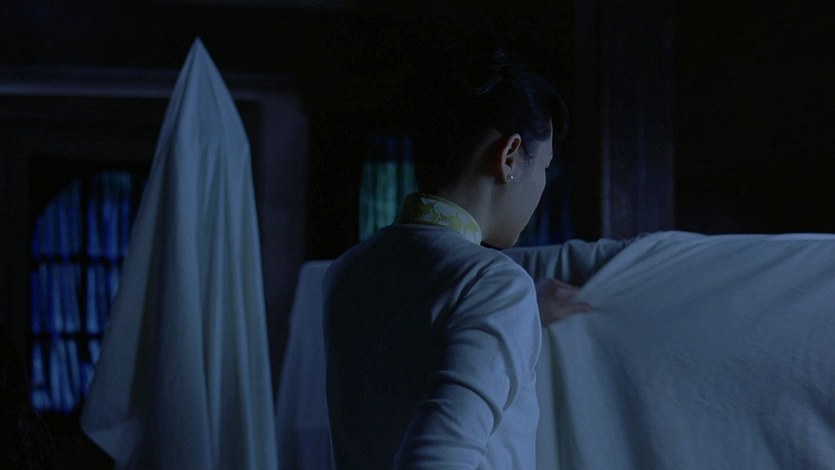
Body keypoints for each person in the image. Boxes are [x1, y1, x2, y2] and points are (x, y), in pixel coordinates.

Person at [323, 31, 588, 469]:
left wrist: (520, 317)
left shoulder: (350, 267)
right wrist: (509, 306)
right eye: (544, 165)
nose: (542, 185)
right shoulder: (493, 285)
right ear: (510, 157)